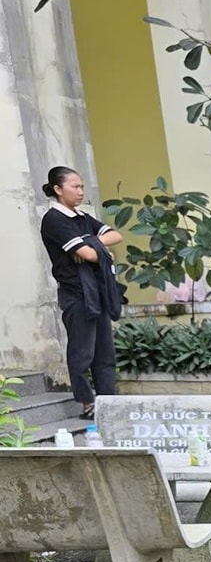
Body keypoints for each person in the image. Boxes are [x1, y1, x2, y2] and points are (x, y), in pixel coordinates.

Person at [38, 166, 124, 418]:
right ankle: (87, 403)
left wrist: (90, 244)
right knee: (82, 352)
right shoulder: (53, 220)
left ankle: (108, 402)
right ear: (57, 189)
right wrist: (96, 247)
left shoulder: (82, 218)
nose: (80, 191)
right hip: (76, 294)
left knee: (105, 353)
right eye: (75, 187)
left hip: (98, 291)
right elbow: (90, 255)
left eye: (82, 186)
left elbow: (115, 236)